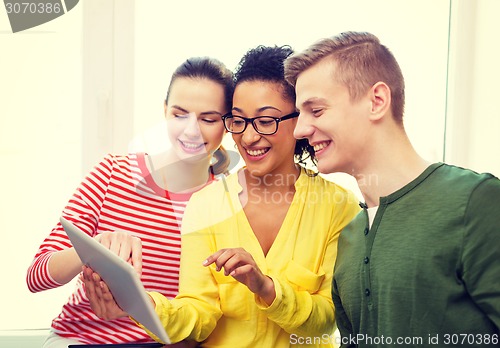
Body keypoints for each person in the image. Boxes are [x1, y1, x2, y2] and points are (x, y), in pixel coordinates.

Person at [83, 45, 361, 347]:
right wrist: (141, 303)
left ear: (299, 120)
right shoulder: (206, 205)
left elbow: (327, 320)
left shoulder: (338, 206)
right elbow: (199, 314)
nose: (249, 137)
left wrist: (266, 288)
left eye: (266, 121)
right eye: (238, 121)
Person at [285, 31, 500, 347]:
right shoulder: (350, 237)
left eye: (316, 110)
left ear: (377, 101)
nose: (300, 130)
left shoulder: (475, 201)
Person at [26, 56, 235, 347]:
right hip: (79, 339)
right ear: (164, 111)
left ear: (228, 124)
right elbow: (37, 277)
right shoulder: (112, 172)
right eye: (179, 114)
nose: (191, 130)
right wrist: (94, 248)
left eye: (208, 119)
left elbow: (210, 314)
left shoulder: (224, 204)